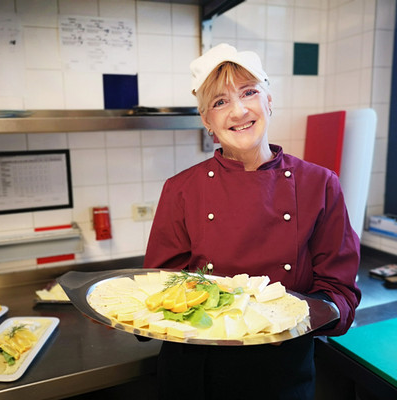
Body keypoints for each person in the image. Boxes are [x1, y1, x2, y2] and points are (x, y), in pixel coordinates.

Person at [143, 43, 361, 400]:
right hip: (197, 373)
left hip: (282, 372)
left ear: (269, 101)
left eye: (249, 92)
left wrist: (292, 315)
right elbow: (160, 290)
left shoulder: (319, 184)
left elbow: (340, 292)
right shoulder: (181, 190)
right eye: (220, 102)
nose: (239, 110)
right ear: (207, 120)